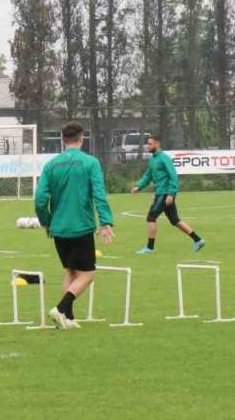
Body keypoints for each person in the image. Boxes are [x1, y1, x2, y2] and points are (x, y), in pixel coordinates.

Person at [34, 122, 115, 330]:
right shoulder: (90, 163)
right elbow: (99, 194)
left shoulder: (51, 165)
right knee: (87, 274)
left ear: (63, 140)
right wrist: (105, 221)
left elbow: (40, 198)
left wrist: (46, 221)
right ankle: (61, 308)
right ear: (82, 139)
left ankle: (67, 318)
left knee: (71, 271)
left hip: (59, 228)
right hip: (81, 226)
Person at [130, 135, 205, 254]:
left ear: (157, 144)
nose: (147, 146)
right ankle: (198, 240)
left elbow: (173, 175)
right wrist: (138, 186)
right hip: (160, 193)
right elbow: (148, 176)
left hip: (164, 194)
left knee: (151, 218)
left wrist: (171, 193)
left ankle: (149, 248)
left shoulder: (164, 158)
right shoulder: (152, 160)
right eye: (147, 144)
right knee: (175, 220)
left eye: (150, 144)